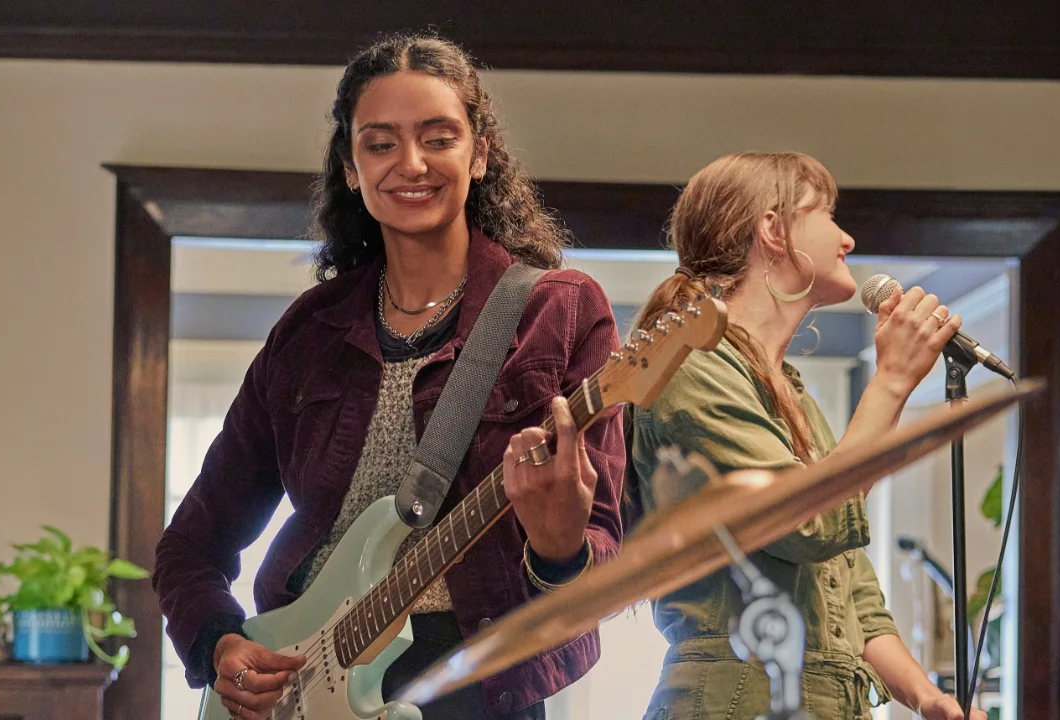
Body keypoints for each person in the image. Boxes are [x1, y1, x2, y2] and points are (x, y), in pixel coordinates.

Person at [153, 34, 625, 720]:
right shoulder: (309, 332)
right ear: (350, 166)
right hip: (303, 687)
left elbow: (606, 543)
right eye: (380, 143)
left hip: (474, 685)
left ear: (480, 153)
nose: (411, 164)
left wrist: (558, 549)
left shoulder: (561, 310)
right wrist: (221, 642)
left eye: (439, 137)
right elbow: (191, 546)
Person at [625, 152, 980, 720]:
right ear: (772, 228)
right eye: (828, 214)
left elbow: (851, 589)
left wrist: (926, 697)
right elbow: (808, 523)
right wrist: (890, 383)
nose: (848, 239)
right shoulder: (692, 367)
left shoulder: (796, 400)